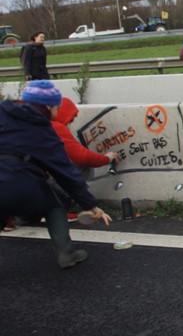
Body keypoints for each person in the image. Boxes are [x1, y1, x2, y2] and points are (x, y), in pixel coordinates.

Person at [0, 80, 112, 269]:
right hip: (22, 184)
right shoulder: (45, 130)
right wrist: (90, 205)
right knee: (55, 203)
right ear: (48, 106)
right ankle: (67, 254)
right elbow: (66, 173)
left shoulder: (2, 111)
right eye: (56, 107)